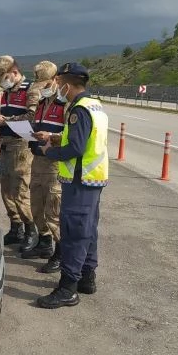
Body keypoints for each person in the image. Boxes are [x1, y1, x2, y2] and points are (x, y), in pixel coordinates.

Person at [35, 62, 108, 309]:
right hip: (92, 178)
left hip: (79, 180)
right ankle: (87, 278)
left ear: (66, 84)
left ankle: (67, 288)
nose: (57, 88)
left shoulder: (79, 110)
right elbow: (82, 138)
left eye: (59, 83)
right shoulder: (94, 105)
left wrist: (49, 150)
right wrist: (54, 137)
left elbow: (76, 148)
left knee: (74, 233)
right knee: (88, 230)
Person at [0, 55, 40, 251]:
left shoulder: (31, 89)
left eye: (4, 76)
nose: (2, 80)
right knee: (6, 191)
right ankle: (16, 227)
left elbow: (33, 117)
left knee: (20, 191)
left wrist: (6, 121)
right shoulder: (8, 92)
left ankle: (31, 231)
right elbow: (8, 114)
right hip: (6, 145)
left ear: (15, 73)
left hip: (21, 146)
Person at [22, 61, 65, 273]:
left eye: (45, 84)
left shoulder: (65, 104)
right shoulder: (41, 103)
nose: (42, 89)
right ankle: (45, 243)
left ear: (55, 80)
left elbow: (71, 136)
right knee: (36, 207)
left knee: (53, 211)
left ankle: (61, 253)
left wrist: (52, 137)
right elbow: (35, 125)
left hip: (55, 165)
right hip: (38, 160)